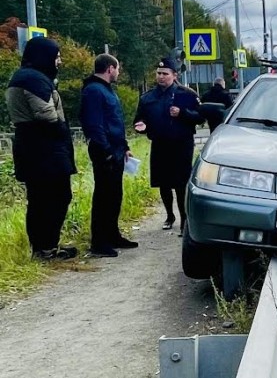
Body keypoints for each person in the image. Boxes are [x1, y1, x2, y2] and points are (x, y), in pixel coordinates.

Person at [4, 37, 78, 260]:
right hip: (43, 149)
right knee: (54, 197)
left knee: (41, 199)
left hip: (32, 146)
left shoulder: (25, 77)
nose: (59, 61)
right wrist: (62, 132)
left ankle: (45, 246)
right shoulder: (33, 79)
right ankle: (45, 247)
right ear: (43, 57)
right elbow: (46, 115)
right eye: (56, 57)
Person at [133, 57, 203, 232]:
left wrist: (183, 113)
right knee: (163, 183)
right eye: (159, 74)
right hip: (160, 144)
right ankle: (169, 215)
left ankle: (184, 219)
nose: (161, 77)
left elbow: (200, 117)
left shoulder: (186, 94)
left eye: (165, 74)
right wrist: (141, 126)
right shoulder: (148, 97)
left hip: (182, 145)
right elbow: (139, 119)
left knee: (180, 184)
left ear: (174, 75)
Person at [79, 53, 138, 257]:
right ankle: (99, 241)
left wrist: (124, 146)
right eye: (118, 68)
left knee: (114, 195)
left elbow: (114, 122)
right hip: (105, 151)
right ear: (110, 69)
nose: (119, 72)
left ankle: (112, 235)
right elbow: (95, 125)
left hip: (116, 149)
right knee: (104, 196)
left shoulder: (106, 90)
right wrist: (106, 152)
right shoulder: (94, 91)